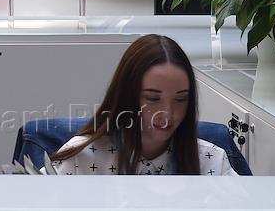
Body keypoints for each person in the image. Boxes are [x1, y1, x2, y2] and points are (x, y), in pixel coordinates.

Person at [51, 34, 236, 175]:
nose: (167, 114)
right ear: (126, 95)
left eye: (180, 99)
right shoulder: (79, 160)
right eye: (153, 99)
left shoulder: (212, 162)